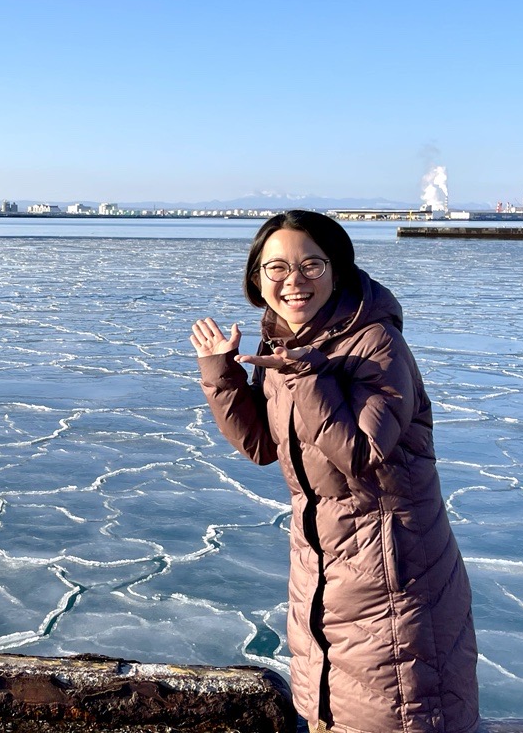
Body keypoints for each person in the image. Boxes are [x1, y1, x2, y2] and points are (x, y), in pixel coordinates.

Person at [190, 210, 479, 733]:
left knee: (398, 712)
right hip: (323, 567)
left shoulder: (375, 344)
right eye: (275, 268)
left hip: (393, 574)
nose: (293, 281)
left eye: (311, 265)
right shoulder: (287, 345)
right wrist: (223, 372)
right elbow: (262, 445)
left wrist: (304, 372)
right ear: (257, 279)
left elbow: (361, 454)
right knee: (330, 710)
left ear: (337, 270)